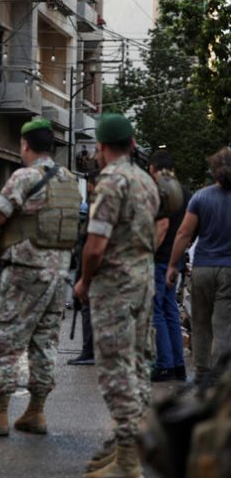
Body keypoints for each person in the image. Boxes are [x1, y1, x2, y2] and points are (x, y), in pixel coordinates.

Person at [0, 118, 80, 437]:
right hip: (59, 274)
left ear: (25, 145)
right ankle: (36, 412)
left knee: (6, 340)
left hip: (25, 273)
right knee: (44, 342)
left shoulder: (24, 177)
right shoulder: (69, 180)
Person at [74, 114, 159, 478]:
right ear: (133, 143)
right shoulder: (146, 181)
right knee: (138, 367)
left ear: (102, 148)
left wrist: (84, 281)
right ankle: (131, 446)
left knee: (115, 371)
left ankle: (127, 459)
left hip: (116, 287)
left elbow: (95, 246)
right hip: (142, 282)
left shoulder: (111, 181)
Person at [166, 147, 231, 384]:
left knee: (200, 322)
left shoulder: (201, 197)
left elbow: (184, 233)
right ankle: (222, 376)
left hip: (203, 268)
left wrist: (172, 265)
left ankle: (203, 373)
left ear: (214, 171)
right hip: (230, 271)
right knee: (224, 323)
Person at [148, 150, 191, 382]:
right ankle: (177, 365)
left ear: (153, 168)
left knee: (157, 311)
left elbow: (162, 225)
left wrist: (148, 252)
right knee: (171, 310)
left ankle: (164, 365)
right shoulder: (184, 192)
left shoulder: (160, 190)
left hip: (159, 259)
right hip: (175, 259)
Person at [68, 170, 100, 366]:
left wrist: (84, 277)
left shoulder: (96, 205)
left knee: (87, 306)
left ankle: (89, 350)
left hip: (92, 262)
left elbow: (91, 239)